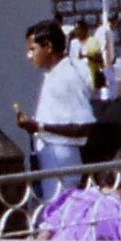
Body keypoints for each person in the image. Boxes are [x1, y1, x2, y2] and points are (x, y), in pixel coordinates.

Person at [18, 18, 94, 200]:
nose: (29, 56)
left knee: (61, 212)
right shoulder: (54, 75)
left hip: (62, 157)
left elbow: (85, 127)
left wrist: (41, 127)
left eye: (33, 49)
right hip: (50, 156)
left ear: (48, 46)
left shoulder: (67, 76)